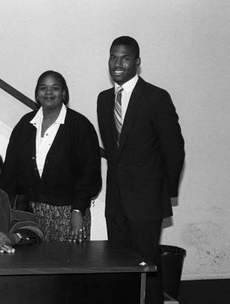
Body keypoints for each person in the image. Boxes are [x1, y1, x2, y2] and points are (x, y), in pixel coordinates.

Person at [97, 36, 185, 304]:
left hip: (147, 202)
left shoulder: (156, 97)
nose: (118, 63)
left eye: (125, 58)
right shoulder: (103, 99)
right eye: (113, 57)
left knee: (148, 268)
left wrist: (163, 193)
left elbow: (174, 150)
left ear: (137, 62)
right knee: (121, 269)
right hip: (116, 202)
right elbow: (115, 153)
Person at [0, 71, 102, 243]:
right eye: (43, 88)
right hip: (28, 214)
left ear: (64, 93)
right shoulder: (25, 124)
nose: (48, 92)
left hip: (68, 214)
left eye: (55, 88)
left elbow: (89, 174)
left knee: (67, 266)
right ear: (37, 93)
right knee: (31, 267)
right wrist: (6, 209)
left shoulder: (80, 126)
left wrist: (78, 210)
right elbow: (10, 170)